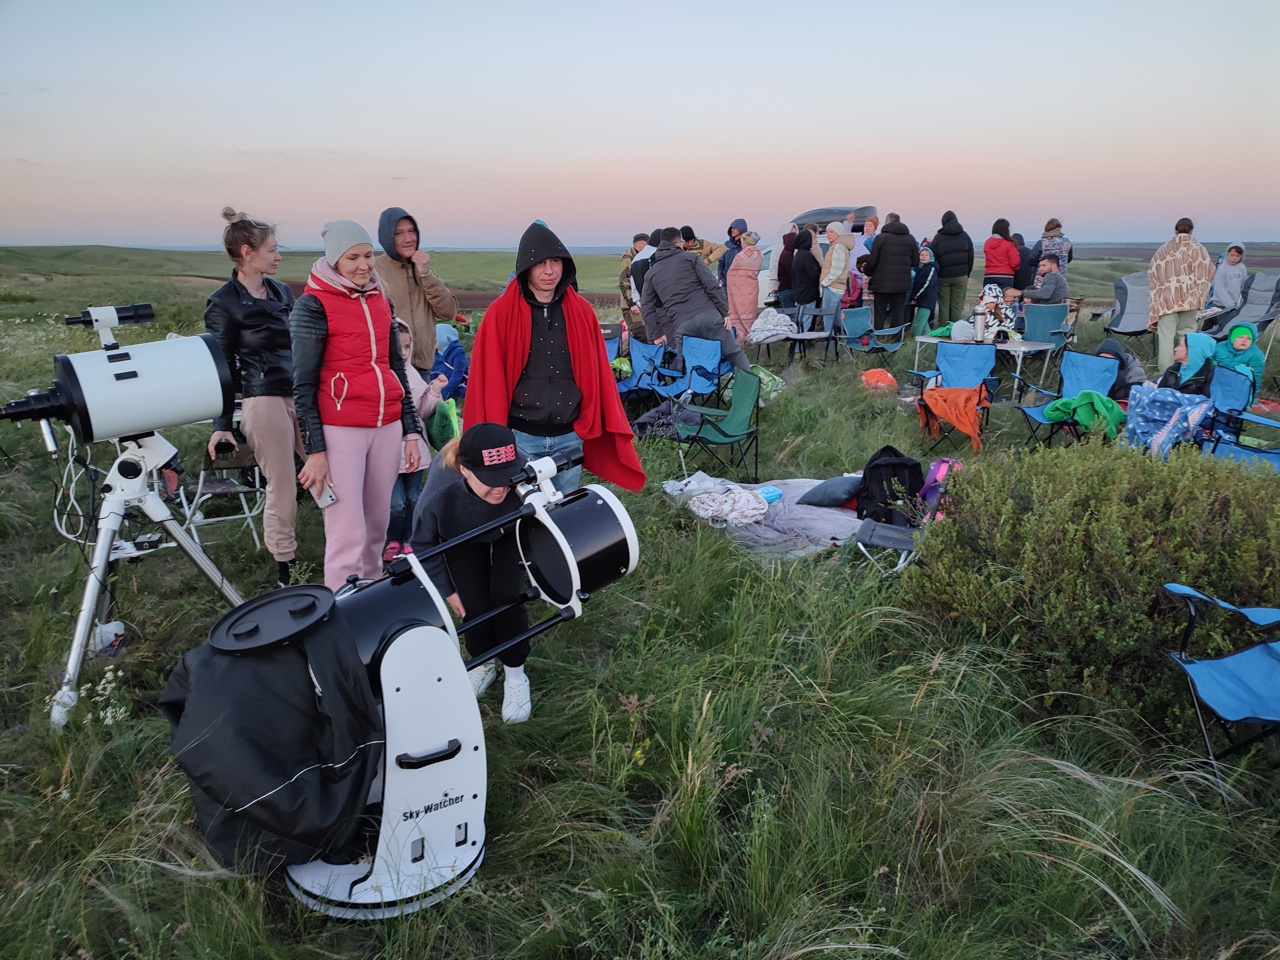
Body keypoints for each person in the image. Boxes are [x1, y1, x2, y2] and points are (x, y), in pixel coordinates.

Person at [464, 221, 646, 495]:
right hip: (522, 436)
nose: (549, 270)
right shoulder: (500, 314)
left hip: (569, 435)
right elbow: (486, 378)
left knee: (563, 510)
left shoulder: (582, 312)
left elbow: (597, 375)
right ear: (526, 266)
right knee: (523, 514)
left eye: (555, 261)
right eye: (540, 263)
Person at [290, 220, 423, 592]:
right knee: (346, 526)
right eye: (353, 257)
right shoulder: (312, 306)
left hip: (386, 425)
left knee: (377, 523)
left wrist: (411, 430)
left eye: (368, 255)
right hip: (340, 429)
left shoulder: (382, 299)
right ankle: (342, 606)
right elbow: (302, 384)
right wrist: (315, 451)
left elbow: (397, 368)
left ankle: (373, 595)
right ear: (334, 260)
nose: (364, 265)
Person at [204, 207, 302, 589]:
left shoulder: (280, 291)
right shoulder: (223, 303)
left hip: (298, 394)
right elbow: (221, 367)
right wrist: (221, 427)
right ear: (248, 252)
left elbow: (298, 344)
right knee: (283, 483)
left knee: (326, 470)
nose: (279, 256)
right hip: (261, 400)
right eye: (273, 250)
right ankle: (286, 567)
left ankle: (347, 549)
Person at [411, 422, 534, 723]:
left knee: (505, 596)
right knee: (473, 602)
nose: (501, 487)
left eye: (507, 477)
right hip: (461, 534)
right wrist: (447, 590)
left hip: (510, 528)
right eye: (490, 479)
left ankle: (516, 675)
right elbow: (423, 543)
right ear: (465, 470)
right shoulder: (441, 488)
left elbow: (545, 521)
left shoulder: (526, 466)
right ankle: (482, 662)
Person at [641, 226, 750, 371]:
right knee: (734, 354)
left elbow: (647, 307)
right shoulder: (691, 258)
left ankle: (685, 391)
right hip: (710, 316)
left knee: (683, 367)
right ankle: (752, 389)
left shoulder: (651, 273)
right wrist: (725, 313)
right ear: (678, 243)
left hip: (682, 325)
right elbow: (712, 286)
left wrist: (657, 333)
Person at [384, 318, 446, 562]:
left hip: (415, 451)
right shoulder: (380, 375)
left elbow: (422, 411)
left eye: (407, 347)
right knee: (395, 503)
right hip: (388, 452)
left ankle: (411, 538)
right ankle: (393, 539)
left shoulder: (414, 376)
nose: (403, 352)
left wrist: (434, 391)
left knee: (414, 497)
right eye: (398, 346)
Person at [374, 207, 458, 377]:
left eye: (412, 231)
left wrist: (426, 274)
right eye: (399, 233)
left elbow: (448, 312)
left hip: (423, 370)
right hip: (389, 370)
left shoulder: (423, 270)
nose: (409, 239)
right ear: (387, 237)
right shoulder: (374, 271)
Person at [1148, 217, 1215, 371]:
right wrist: (1199, 295)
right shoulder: (1199, 249)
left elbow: (1153, 273)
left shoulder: (1163, 249)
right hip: (1190, 298)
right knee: (1188, 335)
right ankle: (1186, 370)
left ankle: (1165, 373)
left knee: (1166, 336)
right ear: (1191, 231)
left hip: (1167, 299)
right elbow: (1209, 273)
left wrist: (1159, 295)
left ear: (1175, 230)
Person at [863, 213, 919, 331]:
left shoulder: (880, 238)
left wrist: (867, 271)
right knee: (898, 314)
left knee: (880, 314)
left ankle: (878, 341)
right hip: (902, 284)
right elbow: (915, 261)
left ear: (887, 222)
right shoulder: (910, 238)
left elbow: (873, 261)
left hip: (882, 283)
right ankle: (896, 340)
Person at [931, 210, 975, 325]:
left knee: (944, 305)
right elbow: (971, 256)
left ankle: (943, 330)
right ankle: (955, 330)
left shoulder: (938, 237)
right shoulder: (965, 236)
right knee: (957, 305)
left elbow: (933, 256)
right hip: (961, 276)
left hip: (943, 276)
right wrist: (967, 274)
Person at [726, 230, 763, 341]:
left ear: (746, 241)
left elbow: (730, 274)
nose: (741, 243)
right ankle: (750, 336)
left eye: (742, 241)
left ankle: (741, 337)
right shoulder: (760, 255)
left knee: (739, 313)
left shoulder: (740, 256)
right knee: (750, 313)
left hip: (739, 291)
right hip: (753, 289)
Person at [1212, 322, 1265, 397]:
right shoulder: (1219, 347)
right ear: (1233, 338)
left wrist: (1253, 397)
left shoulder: (1256, 355)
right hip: (1215, 383)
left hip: (1238, 387)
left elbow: (1256, 378)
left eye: (1248, 338)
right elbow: (1209, 365)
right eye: (1240, 337)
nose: (1244, 340)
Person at [1156, 331, 1216, 396]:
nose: (1175, 349)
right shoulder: (1172, 370)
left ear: (1193, 350)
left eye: (1180, 346)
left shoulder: (1211, 374)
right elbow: (1158, 395)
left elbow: (1208, 402)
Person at [818, 222, 852, 331]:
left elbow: (836, 270)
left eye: (831, 232)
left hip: (833, 287)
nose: (828, 234)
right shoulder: (838, 246)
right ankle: (843, 340)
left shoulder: (838, 247)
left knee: (828, 319)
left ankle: (830, 345)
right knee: (836, 319)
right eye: (827, 232)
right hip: (836, 287)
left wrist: (824, 282)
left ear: (839, 233)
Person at [1095, 337, 1147, 403]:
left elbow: (1132, 396)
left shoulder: (1134, 371)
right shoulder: (1094, 370)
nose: (1106, 363)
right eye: (1102, 359)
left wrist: (1117, 379)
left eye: (1110, 360)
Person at [618, 232, 649, 343]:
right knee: (640, 333)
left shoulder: (642, 257)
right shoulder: (629, 258)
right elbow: (624, 281)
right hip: (631, 305)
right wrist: (632, 303)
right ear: (640, 244)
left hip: (641, 302)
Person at [431, 321, 469, 400]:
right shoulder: (437, 353)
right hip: (442, 384)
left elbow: (456, 377)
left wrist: (443, 395)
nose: (430, 340)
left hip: (458, 386)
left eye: (434, 337)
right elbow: (433, 373)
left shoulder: (458, 353)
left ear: (443, 337)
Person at [909, 246, 940, 336]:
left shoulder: (931, 268)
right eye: (922, 255)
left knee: (919, 322)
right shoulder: (921, 269)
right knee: (924, 322)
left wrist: (915, 297)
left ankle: (916, 340)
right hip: (922, 299)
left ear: (931, 257)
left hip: (927, 299)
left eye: (926, 255)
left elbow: (927, 284)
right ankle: (929, 339)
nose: (923, 257)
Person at [1208, 243, 1248, 313]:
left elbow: (1243, 285)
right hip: (1220, 305)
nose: (1234, 258)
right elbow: (1220, 289)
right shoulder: (1222, 268)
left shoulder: (1242, 268)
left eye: (1237, 256)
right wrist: (1230, 305)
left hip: (1236, 305)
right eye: (1232, 255)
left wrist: (1240, 302)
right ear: (1227, 254)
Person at [790, 228, 822, 313]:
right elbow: (814, 275)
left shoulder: (798, 254)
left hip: (800, 293)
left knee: (802, 319)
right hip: (808, 294)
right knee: (807, 320)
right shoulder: (806, 255)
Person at [982, 219, 1020, 290]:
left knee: (990, 300)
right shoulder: (1009, 243)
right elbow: (1015, 262)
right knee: (1005, 299)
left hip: (989, 275)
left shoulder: (987, 243)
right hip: (1006, 276)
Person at [717, 218, 748, 289]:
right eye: (731, 228)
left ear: (741, 229)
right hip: (725, 283)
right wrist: (720, 278)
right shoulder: (727, 244)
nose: (732, 230)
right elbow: (721, 263)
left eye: (734, 228)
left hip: (739, 285)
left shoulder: (746, 246)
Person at [775, 230, 798, 309]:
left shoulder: (787, 253)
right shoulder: (787, 255)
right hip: (787, 290)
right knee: (787, 314)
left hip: (785, 289)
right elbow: (792, 272)